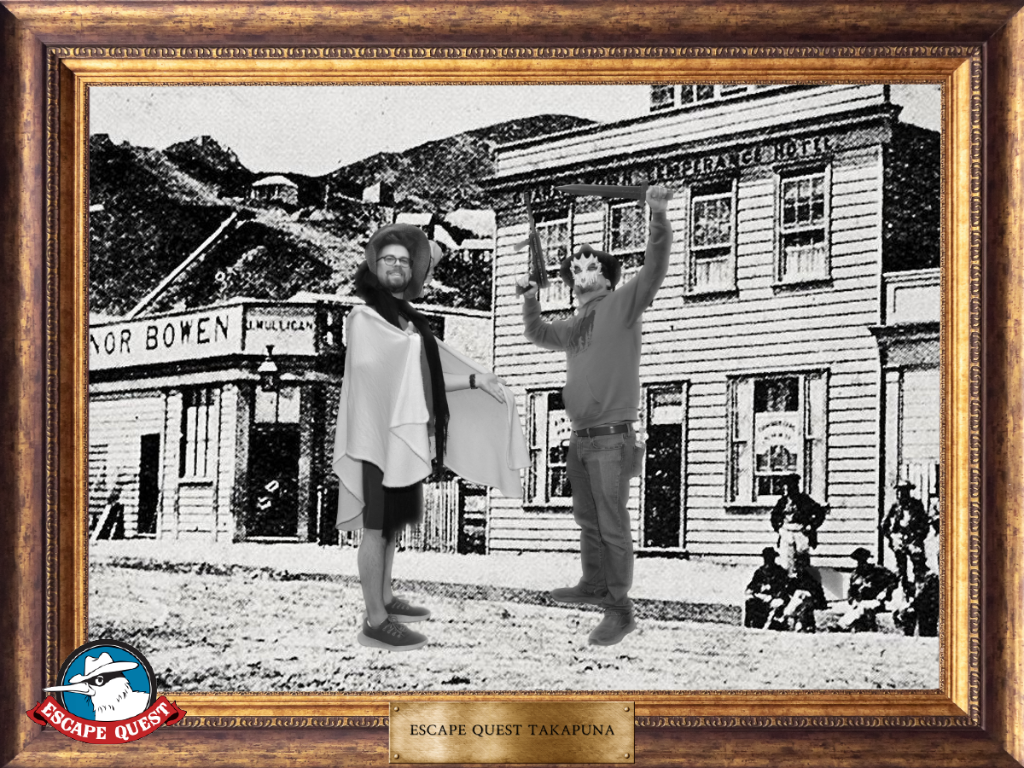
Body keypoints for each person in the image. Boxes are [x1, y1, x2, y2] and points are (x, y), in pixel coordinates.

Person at [332, 224, 529, 651]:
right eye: (389, 260)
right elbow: (395, 370)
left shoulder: (407, 321)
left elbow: (428, 377)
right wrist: (417, 345)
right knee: (375, 527)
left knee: (394, 526)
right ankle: (375, 619)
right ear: (374, 266)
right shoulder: (364, 318)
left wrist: (477, 380)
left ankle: (385, 596)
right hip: (374, 440)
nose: (398, 267)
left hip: (403, 439)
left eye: (406, 261)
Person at [518, 185, 674, 646]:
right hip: (582, 436)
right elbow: (537, 331)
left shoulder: (623, 305)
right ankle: (592, 582)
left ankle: (619, 608)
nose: (582, 271)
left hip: (613, 435)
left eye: (592, 266)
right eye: (576, 266)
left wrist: (658, 212)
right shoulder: (575, 324)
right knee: (587, 517)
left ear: (608, 279)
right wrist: (529, 296)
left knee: (611, 521)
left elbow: (657, 266)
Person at [770, 473, 827, 574]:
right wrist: (779, 528)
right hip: (786, 533)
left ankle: (802, 583)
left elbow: (820, 512)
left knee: (802, 562)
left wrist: (811, 526)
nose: (788, 490)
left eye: (791, 486)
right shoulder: (782, 502)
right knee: (786, 563)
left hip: (801, 533)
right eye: (786, 486)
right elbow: (774, 517)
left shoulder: (805, 500)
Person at [881, 480, 931, 595]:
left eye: (904, 491)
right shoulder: (895, 507)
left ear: (908, 492)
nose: (901, 494)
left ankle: (920, 592)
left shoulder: (916, 505)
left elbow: (924, 523)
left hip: (913, 540)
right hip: (899, 540)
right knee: (901, 568)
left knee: (919, 566)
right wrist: (892, 536)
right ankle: (903, 591)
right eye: (899, 491)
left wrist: (919, 537)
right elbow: (884, 524)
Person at [836, 547, 898, 632]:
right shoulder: (855, 575)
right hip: (860, 602)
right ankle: (845, 625)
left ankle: (842, 625)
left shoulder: (877, 571)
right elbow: (851, 592)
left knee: (863, 608)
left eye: (863, 560)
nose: (861, 563)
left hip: (876, 601)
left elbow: (893, 580)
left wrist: (885, 593)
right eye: (859, 561)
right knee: (859, 608)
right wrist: (853, 601)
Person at [768, 551, 828, 633]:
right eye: (797, 563)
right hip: (799, 602)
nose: (798, 566)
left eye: (800, 563)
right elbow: (788, 591)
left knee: (799, 593)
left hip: (814, 601)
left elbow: (817, 593)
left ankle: (784, 617)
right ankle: (793, 622)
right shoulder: (796, 577)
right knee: (796, 597)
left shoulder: (813, 576)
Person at [744, 547, 789, 629]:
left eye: (770, 558)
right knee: (750, 601)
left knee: (778, 603)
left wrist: (772, 596)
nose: (768, 560)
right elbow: (751, 587)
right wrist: (756, 593)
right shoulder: (760, 572)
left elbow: (783, 589)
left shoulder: (780, 572)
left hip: (775, 598)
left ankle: (774, 623)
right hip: (761, 598)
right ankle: (748, 626)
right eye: (766, 558)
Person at [893, 570, 939, 637]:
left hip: (928, 614)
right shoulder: (925, 591)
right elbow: (917, 601)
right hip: (926, 614)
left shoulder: (930, 591)